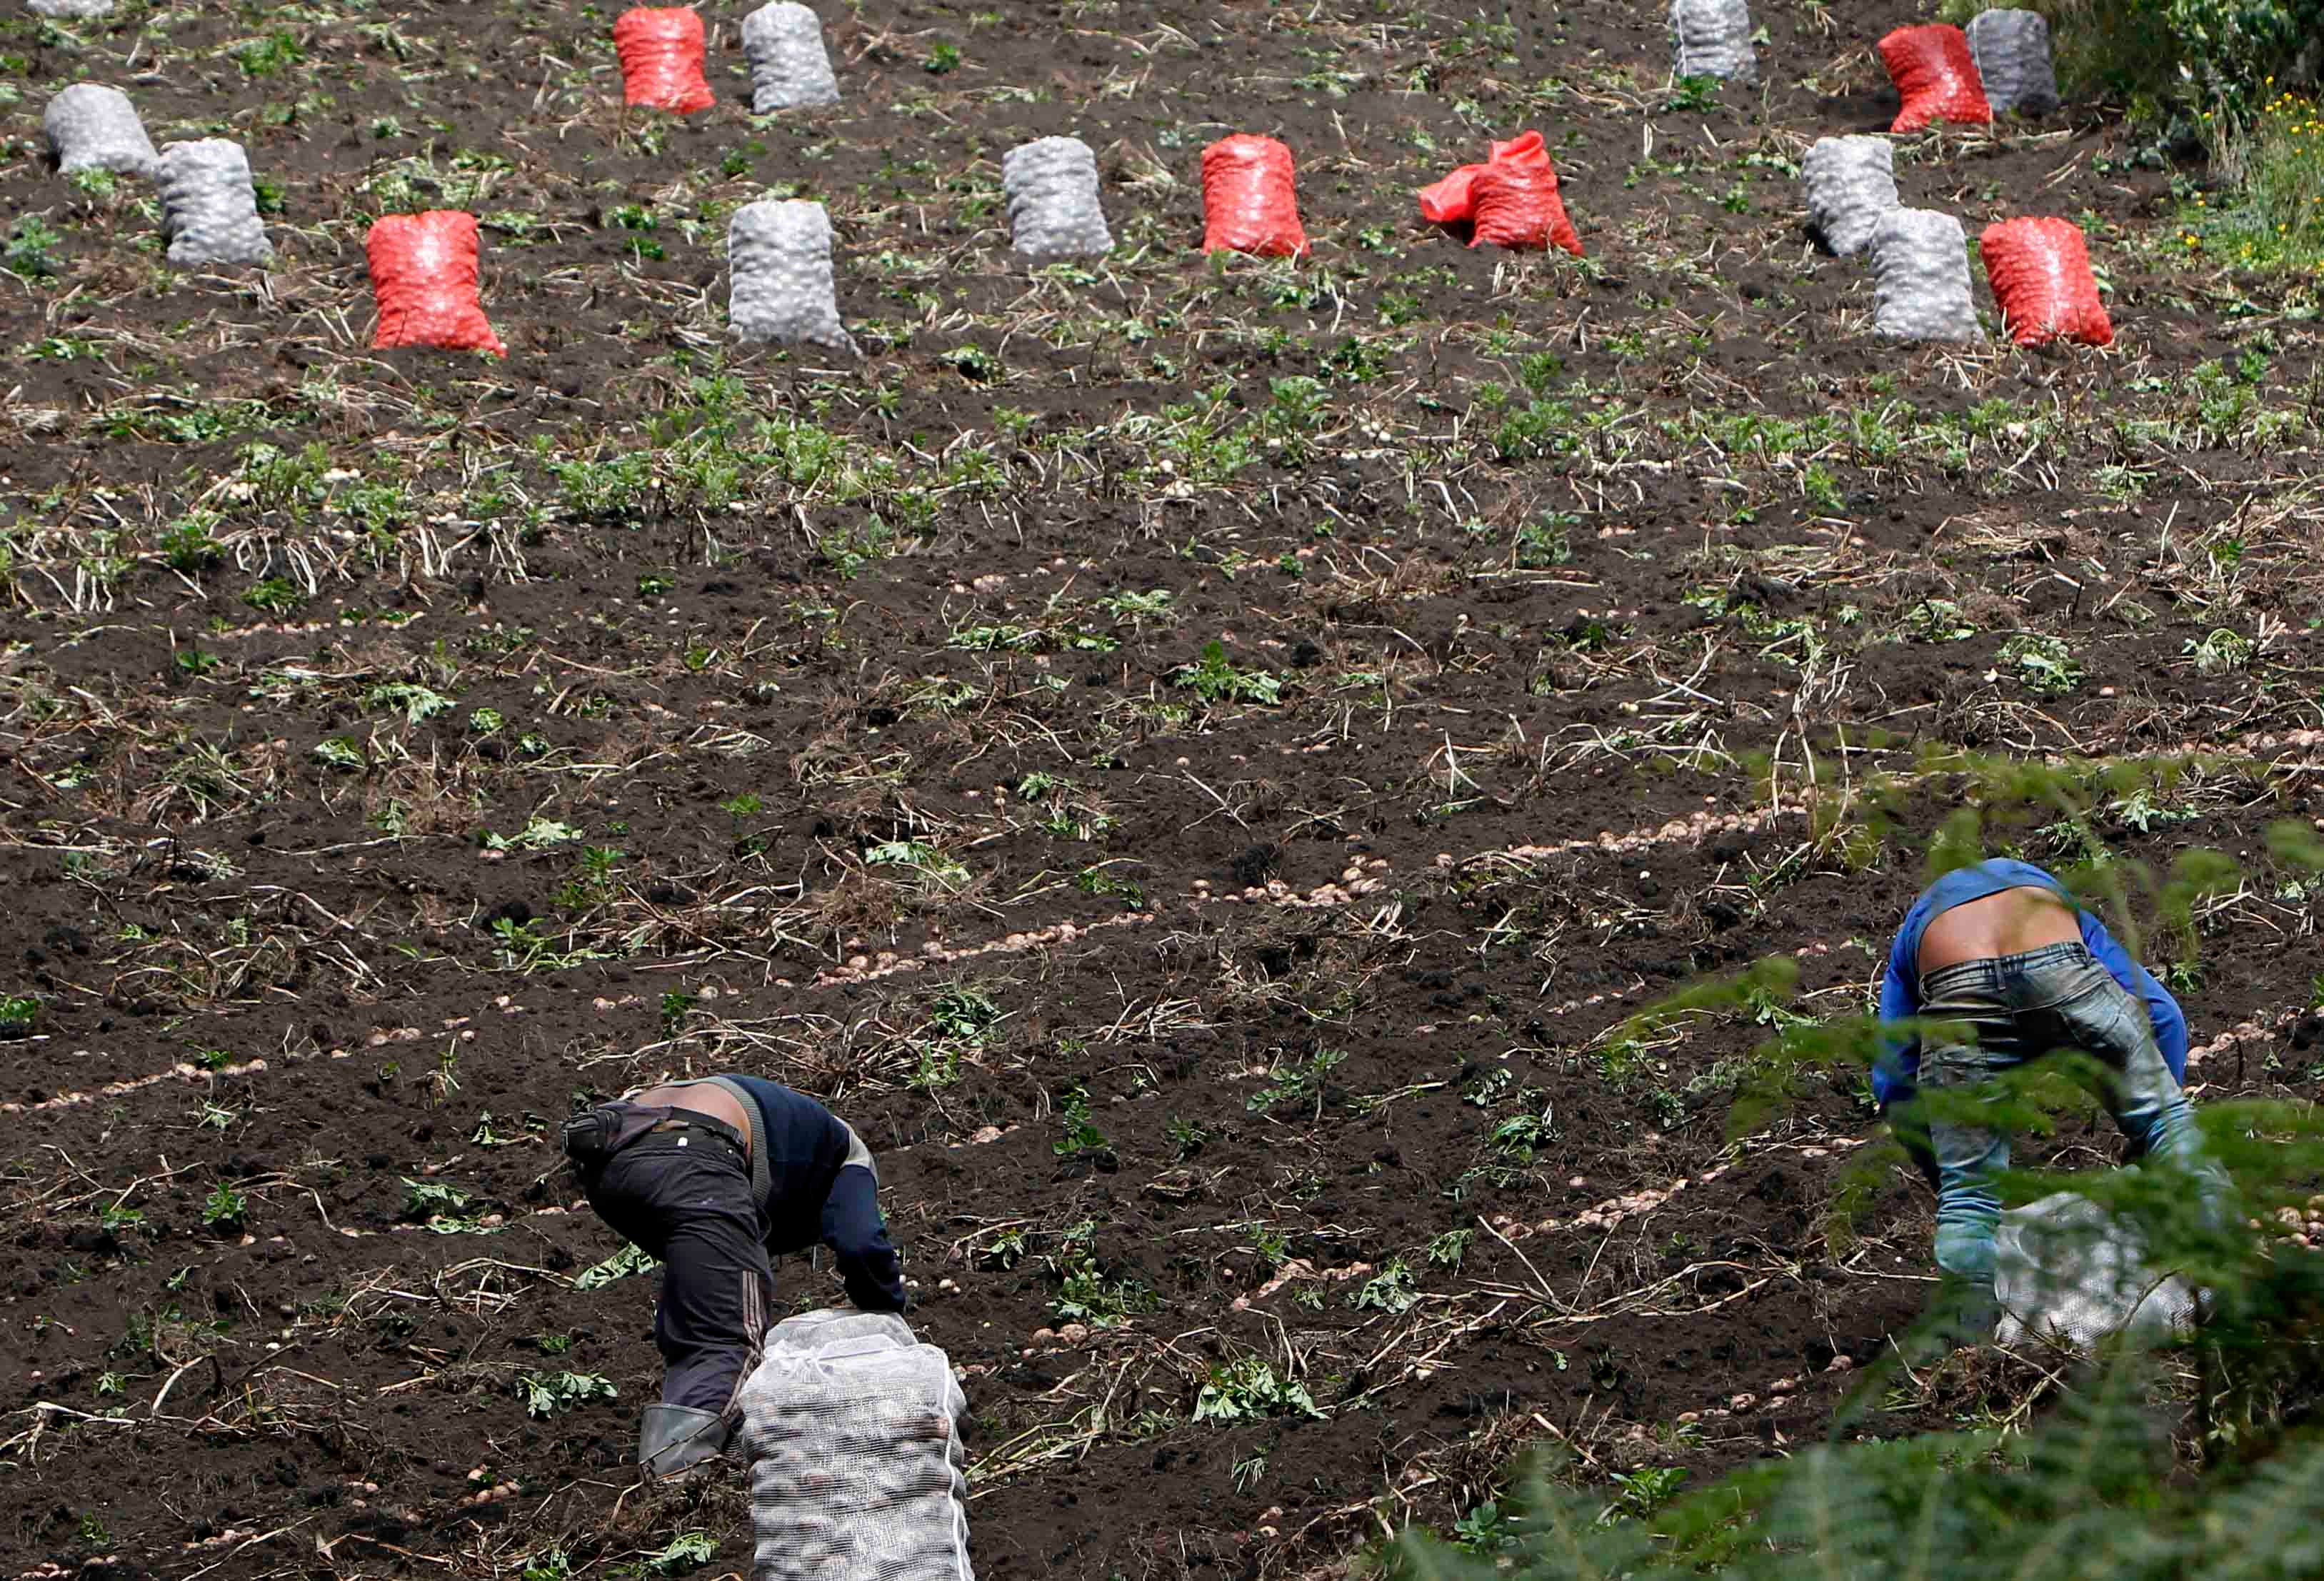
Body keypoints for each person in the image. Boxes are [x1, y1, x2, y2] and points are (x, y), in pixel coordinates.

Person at [1873, 858, 2229, 1330]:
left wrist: (1954, 1175)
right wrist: (2153, 1134)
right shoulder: (2049, 895)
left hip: (1957, 983)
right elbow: (2162, 1014)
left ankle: (1972, 1343)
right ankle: (2229, 1268)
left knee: (1970, 1198)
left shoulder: (1916, 930)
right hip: (2057, 961)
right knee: (2167, 1125)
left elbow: (1893, 1080)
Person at [561, 1074, 908, 1475]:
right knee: (726, 1338)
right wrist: (889, 1315)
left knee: (701, 1304)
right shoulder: (851, 1158)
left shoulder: (794, 1135)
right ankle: (674, 1478)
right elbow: (861, 1243)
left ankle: (701, 1423)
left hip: (609, 1159)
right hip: (694, 1154)